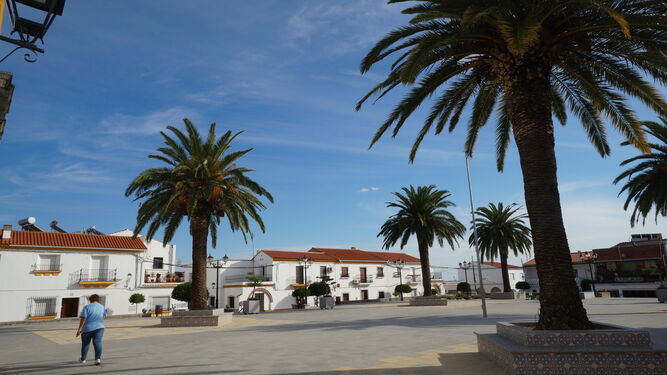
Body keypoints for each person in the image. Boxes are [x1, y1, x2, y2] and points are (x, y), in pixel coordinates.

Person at [76, 294, 106, 365]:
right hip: (99, 327)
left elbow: (83, 318)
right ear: (98, 299)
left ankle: (83, 359)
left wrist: (79, 329)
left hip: (87, 328)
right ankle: (97, 359)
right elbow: (103, 317)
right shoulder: (102, 307)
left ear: (90, 300)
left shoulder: (87, 307)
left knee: (85, 344)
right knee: (97, 343)